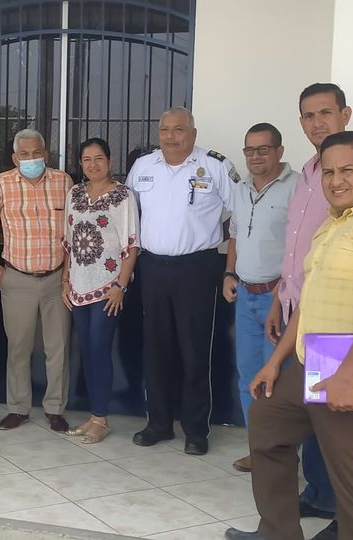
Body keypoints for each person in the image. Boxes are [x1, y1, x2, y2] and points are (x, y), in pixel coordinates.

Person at [225, 131, 353, 540]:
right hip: (314, 360)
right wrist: (276, 361)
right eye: (329, 172)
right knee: (267, 423)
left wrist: (349, 375)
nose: (336, 180)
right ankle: (277, 533)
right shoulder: (333, 225)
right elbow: (309, 302)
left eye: (347, 170)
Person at [126, 106, 238, 455]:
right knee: (156, 348)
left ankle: (195, 430)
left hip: (197, 268)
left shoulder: (215, 166)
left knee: (195, 350)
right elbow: (129, 214)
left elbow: (240, 214)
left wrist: (227, 262)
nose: (171, 136)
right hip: (153, 267)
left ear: (193, 133)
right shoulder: (143, 166)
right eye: (165, 130)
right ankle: (158, 423)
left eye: (178, 129)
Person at [0, 129, 74, 432]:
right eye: (24, 154)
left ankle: (55, 408)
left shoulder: (64, 182)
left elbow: (74, 228)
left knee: (57, 348)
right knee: (18, 347)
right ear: (14, 157)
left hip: (56, 278)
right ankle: (18, 408)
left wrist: (68, 274)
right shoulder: (1, 184)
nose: (31, 159)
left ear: (45, 154)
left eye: (36, 153)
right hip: (17, 277)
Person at [223, 123, 299, 472]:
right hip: (245, 295)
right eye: (249, 150)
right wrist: (229, 273)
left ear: (279, 151)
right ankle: (259, 450)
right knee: (247, 377)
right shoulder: (240, 190)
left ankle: (281, 455)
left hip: (277, 300)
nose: (255, 157)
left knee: (276, 380)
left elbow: (301, 246)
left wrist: (282, 294)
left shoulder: (296, 187)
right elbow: (235, 236)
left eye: (263, 149)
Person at [60, 137, 139, 443]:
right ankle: (94, 415)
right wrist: (65, 281)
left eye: (99, 159)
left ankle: (101, 419)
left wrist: (121, 285)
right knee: (87, 351)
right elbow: (69, 242)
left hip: (108, 289)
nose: (93, 165)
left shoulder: (123, 196)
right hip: (78, 286)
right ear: (80, 164)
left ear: (110, 160)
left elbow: (131, 246)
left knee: (100, 349)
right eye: (86, 160)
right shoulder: (75, 194)